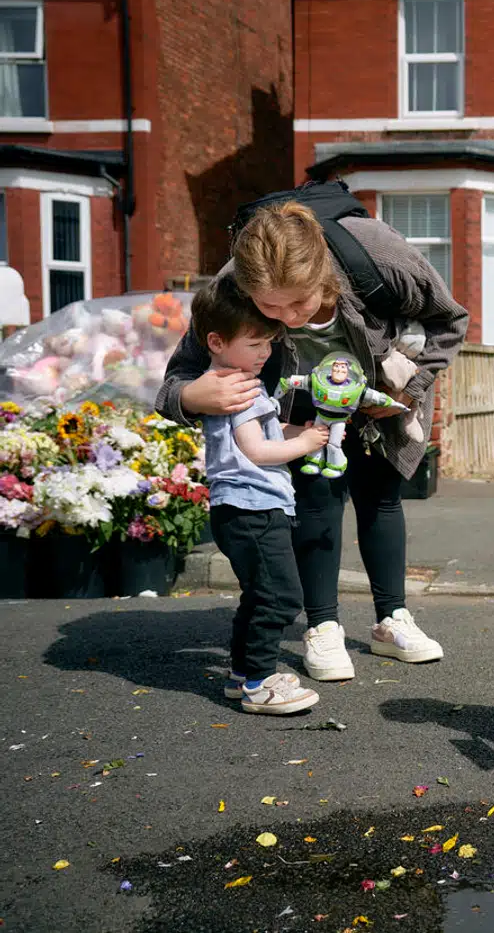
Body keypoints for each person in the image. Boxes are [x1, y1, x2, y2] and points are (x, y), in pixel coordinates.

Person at [158, 200, 468, 680]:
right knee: (318, 502)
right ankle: (323, 627)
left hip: (380, 390)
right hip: (295, 399)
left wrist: (409, 388)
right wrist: (196, 394)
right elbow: (175, 382)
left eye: (299, 303)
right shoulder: (231, 284)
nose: (289, 319)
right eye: (270, 308)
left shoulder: (378, 256)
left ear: (323, 275)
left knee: (382, 498)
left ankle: (392, 619)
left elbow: (451, 320)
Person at [190, 279, 332, 714]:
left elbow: (265, 434)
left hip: (248, 506)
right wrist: (303, 446)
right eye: (255, 343)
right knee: (281, 597)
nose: (264, 353)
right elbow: (258, 450)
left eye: (268, 343)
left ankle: (242, 674)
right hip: (252, 506)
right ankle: (259, 682)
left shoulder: (232, 384)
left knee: (259, 594)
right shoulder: (238, 390)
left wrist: (302, 433)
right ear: (217, 341)